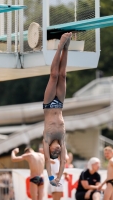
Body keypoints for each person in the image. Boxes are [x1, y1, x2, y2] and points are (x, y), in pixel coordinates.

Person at [42, 32, 72, 187]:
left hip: (48, 104)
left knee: (54, 75)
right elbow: (63, 162)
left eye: (55, 151)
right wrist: (60, 176)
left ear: (50, 148)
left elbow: (48, 160)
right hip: (59, 103)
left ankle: (60, 45)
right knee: (63, 75)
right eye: (58, 152)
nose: (57, 150)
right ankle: (67, 46)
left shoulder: (46, 140)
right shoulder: (61, 140)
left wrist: (51, 178)